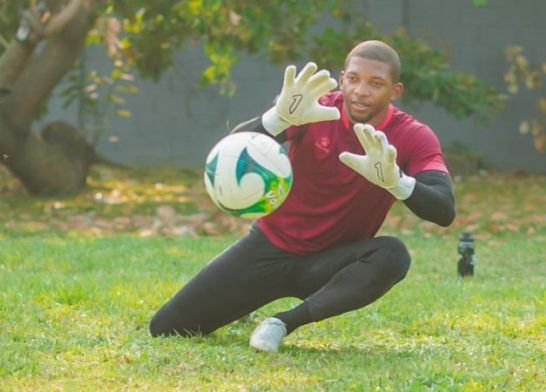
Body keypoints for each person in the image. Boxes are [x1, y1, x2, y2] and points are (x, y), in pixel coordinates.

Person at [149, 40, 456, 352]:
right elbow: (234, 147)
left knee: (393, 255)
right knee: (166, 328)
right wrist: (277, 117)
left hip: (328, 264)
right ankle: (244, 303)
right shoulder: (314, 107)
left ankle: (282, 323)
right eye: (353, 79)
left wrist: (397, 182)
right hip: (267, 247)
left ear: (395, 91)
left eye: (376, 83)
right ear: (342, 78)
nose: (361, 91)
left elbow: (444, 210)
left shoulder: (413, 135)